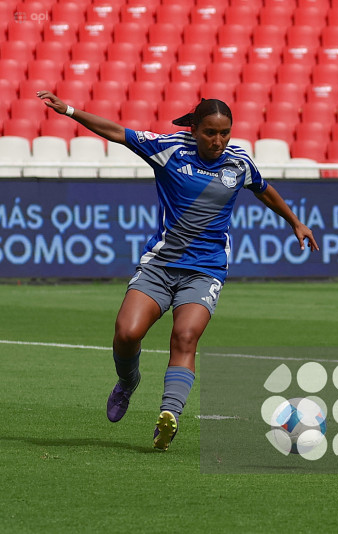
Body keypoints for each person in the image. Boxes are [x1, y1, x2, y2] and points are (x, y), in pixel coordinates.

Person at [37, 91, 319, 451]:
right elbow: (117, 132)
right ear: (195, 129)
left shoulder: (238, 163)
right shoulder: (169, 150)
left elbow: (263, 190)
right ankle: (127, 381)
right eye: (210, 132)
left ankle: (167, 418)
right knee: (126, 332)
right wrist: (71, 111)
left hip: (205, 270)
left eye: (225, 133)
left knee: (185, 337)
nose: (218, 141)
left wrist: (295, 222)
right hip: (161, 266)